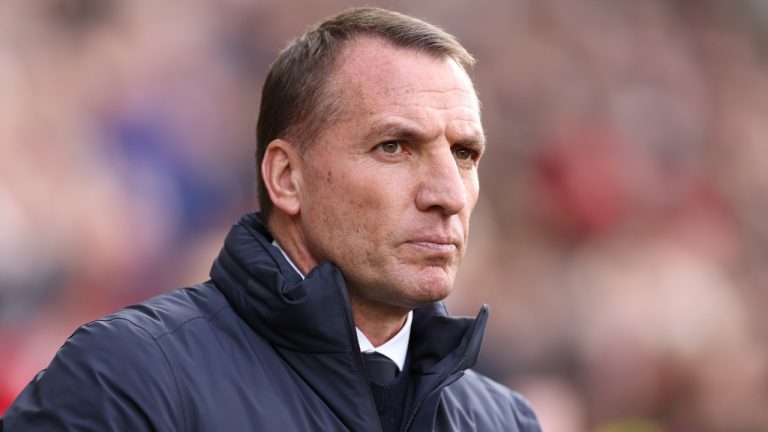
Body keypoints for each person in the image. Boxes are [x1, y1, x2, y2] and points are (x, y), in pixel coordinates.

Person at [1, 7, 541, 431]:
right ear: (286, 178)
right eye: (394, 146)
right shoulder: (128, 379)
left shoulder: (503, 421)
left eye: (465, 154)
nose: (448, 193)